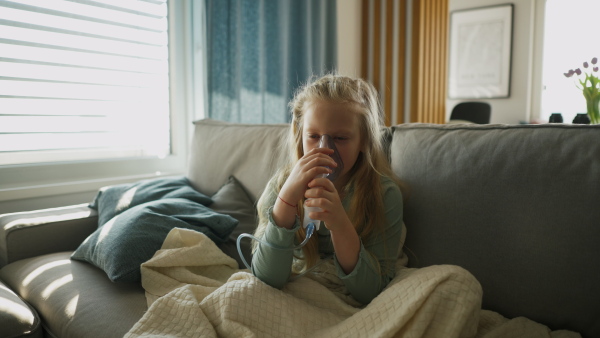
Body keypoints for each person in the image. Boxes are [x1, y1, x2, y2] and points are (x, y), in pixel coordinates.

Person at [251, 74, 405, 304]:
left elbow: (370, 291)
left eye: (340, 138)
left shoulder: (382, 195)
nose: (325, 149)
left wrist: (340, 224)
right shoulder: (282, 185)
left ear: (364, 141)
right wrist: (286, 201)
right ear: (299, 136)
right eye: (313, 136)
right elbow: (265, 277)